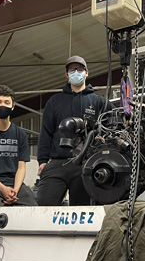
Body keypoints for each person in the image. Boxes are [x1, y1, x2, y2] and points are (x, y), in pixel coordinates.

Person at [37, 55, 113, 206]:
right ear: (67, 74)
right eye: (72, 70)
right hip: (58, 162)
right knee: (44, 203)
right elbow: (46, 132)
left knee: (81, 208)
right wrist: (43, 161)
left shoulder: (100, 103)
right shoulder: (54, 102)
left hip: (86, 164)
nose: (76, 72)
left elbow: (111, 132)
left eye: (79, 69)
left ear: (86, 73)